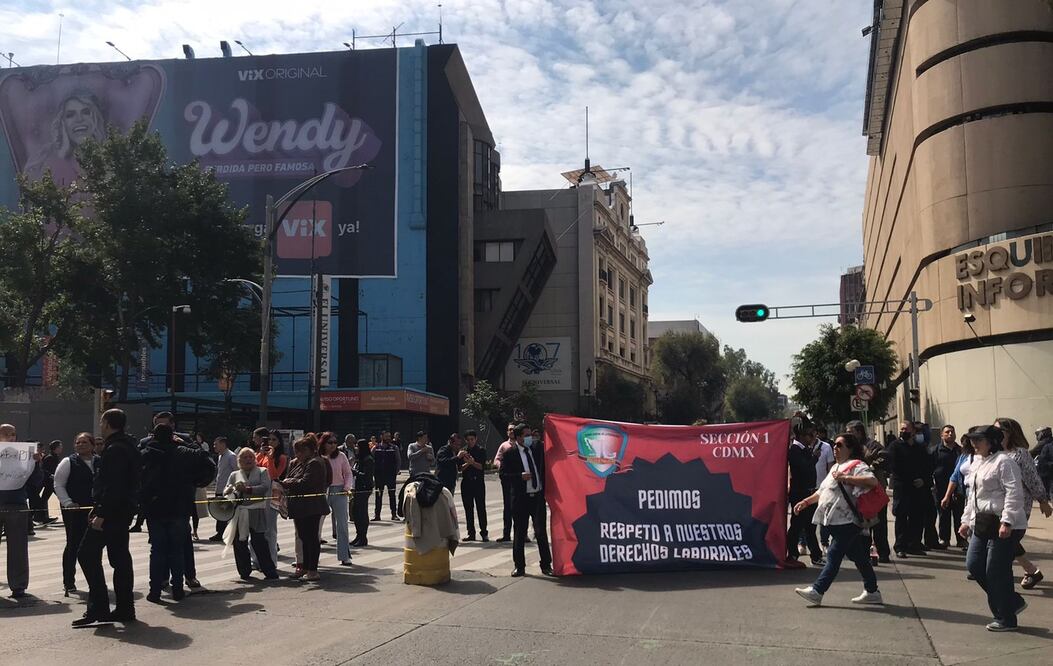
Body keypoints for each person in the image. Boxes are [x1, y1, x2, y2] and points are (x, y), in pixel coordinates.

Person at [793, 432, 882, 607]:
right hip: (833, 521)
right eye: (834, 445)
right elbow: (822, 491)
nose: (835, 448)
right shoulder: (835, 467)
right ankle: (872, 591)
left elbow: (872, 481)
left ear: (850, 448)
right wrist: (805, 502)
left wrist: (846, 478)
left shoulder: (856, 465)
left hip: (847, 521)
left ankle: (817, 591)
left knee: (833, 556)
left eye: (840, 445)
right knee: (859, 558)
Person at [74, 409, 140, 627]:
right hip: (122, 511)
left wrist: (101, 514)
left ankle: (99, 606)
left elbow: (113, 486)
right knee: (120, 559)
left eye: (102, 421)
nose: (100, 424)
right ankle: (124, 608)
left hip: (112, 513)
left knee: (86, 553)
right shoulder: (129, 445)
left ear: (109, 424)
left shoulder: (115, 449)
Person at [959, 425, 1028, 632]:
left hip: (1004, 524)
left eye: (979, 440)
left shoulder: (1004, 462)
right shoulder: (977, 463)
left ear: (992, 442)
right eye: (972, 440)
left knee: (996, 571)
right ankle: (1011, 601)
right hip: (982, 522)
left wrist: (1007, 521)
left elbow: (1014, 493)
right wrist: (965, 521)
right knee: (974, 565)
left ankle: (1005, 617)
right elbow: (973, 496)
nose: (974, 444)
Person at [139, 423, 209, 603]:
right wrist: (187, 443)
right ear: (173, 436)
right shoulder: (183, 452)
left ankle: (154, 590)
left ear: (153, 436)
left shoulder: (146, 453)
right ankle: (177, 589)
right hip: (179, 507)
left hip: (155, 508)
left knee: (157, 550)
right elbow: (204, 455)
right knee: (176, 550)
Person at [993, 417, 1052, 590]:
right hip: (996, 508)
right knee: (1008, 542)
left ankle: (1004, 587)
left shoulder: (1020, 454)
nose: (994, 434)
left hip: (1017, 507)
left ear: (1009, 433)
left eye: (999, 431)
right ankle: (1031, 571)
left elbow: (1032, 478)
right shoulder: (993, 453)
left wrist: (1042, 500)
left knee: (1004, 545)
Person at [500, 425, 552, 577]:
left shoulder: (536, 448)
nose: (530, 437)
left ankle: (546, 564)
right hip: (520, 498)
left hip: (537, 497)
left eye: (530, 434)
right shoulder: (510, 454)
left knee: (541, 532)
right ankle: (519, 566)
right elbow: (503, 475)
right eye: (526, 435)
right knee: (520, 533)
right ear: (518, 437)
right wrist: (519, 476)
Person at [280, 435, 331, 581]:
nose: (297, 455)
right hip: (301, 507)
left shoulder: (315, 462)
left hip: (311, 506)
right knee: (304, 537)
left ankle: (312, 570)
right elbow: (291, 478)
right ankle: (306, 567)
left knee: (311, 538)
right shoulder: (300, 463)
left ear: (308, 450)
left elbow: (305, 483)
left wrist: (289, 482)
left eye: (300, 452)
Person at [0, 423, 43, 599]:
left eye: (14, 434)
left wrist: (37, 464)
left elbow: (37, 482)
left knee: (18, 547)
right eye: (6, 434)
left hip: (17, 505)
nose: (11, 438)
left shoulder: (24, 456)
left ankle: (18, 586)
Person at [223, 448, 279, 580]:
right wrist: (230, 489)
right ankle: (244, 571)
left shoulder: (262, 471)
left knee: (259, 541)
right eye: (245, 457)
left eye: (250, 457)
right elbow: (226, 490)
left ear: (255, 459)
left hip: (256, 511)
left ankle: (269, 571)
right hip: (239, 512)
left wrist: (247, 489)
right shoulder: (234, 474)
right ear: (239, 460)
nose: (248, 460)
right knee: (239, 542)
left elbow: (265, 487)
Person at [53, 432, 98, 596]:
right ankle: (69, 582)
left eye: (85, 442)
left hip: (95, 511)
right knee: (73, 544)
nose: (81, 445)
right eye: (78, 442)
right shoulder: (68, 462)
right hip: (74, 511)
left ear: (92, 445)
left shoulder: (99, 461)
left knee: (93, 546)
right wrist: (68, 503)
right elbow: (58, 485)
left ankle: (94, 581)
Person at [887, 420, 933, 557]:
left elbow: (927, 466)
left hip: (918, 488)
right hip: (902, 488)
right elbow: (894, 467)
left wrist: (923, 480)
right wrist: (910, 480)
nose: (903, 431)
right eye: (901, 429)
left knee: (917, 517)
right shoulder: (895, 446)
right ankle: (900, 546)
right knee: (901, 517)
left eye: (906, 429)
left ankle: (914, 544)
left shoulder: (920, 447)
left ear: (913, 431)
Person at [852, 420, 891, 563]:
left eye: (851, 432)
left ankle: (883, 552)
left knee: (879, 524)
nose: (849, 435)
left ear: (859, 432)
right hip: (859, 492)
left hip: (875, 492)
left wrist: (870, 465)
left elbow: (885, 457)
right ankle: (864, 553)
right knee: (863, 526)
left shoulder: (872, 445)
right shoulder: (851, 448)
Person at [786, 420, 820, 568]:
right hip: (799, 494)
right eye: (809, 435)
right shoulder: (794, 450)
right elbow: (804, 468)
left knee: (810, 526)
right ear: (800, 436)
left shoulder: (804, 448)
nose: (812, 438)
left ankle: (816, 555)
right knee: (797, 525)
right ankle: (792, 554)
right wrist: (815, 457)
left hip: (809, 492)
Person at [320, 432, 353, 565]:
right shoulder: (318, 456)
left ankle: (344, 555)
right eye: (330, 442)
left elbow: (348, 473)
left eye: (335, 442)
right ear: (323, 443)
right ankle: (310, 558)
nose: (333, 445)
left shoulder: (341, 456)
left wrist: (347, 487)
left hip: (339, 490)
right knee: (316, 525)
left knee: (342, 524)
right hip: (321, 491)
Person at [257, 429, 288, 566]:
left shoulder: (281, 457)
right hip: (260, 490)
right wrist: (260, 454)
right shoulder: (263, 454)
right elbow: (255, 468)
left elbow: (274, 474)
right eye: (269, 439)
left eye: (274, 440)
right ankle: (258, 560)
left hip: (273, 490)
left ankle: (272, 560)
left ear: (279, 442)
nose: (270, 442)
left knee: (270, 528)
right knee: (259, 528)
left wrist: (269, 457)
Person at [942, 436, 976, 550]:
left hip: (978, 493)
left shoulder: (984, 457)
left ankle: (971, 542)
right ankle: (968, 541)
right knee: (965, 516)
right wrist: (947, 496)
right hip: (965, 492)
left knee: (974, 518)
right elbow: (955, 476)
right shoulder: (964, 456)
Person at [931, 425, 962, 549]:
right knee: (944, 515)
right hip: (941, 488)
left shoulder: (960, 451)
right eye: (947, 432)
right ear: (942, 435)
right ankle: (944, 539)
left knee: (959, 514)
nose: (950, 434)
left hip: (958, 488)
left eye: (952, 432)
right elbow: (930, 468)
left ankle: (962, 539)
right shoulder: (935, 450)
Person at [459, 430, 488, 542]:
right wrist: (468, 463)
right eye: (468, 440)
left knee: (481, 508)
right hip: (466, 483)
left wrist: (473, 463)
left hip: (478, 483)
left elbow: (482, 467)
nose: (470, 441)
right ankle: (471, 533)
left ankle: (484, 532)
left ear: (476, 439)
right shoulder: (463, 451)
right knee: (468, 509)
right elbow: (460, 468)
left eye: (472, 439)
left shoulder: (481, 450)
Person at [209, 437, 238, 542]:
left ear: (223, 444)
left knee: (225, 512)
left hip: (227, 489)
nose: (214, 446)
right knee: (219, 511)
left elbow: (236, 472)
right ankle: (220, 532)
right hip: (219, 488)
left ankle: (223, 533)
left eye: (216, 444)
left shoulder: (231, 456)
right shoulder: (221, 456)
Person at [494, 423, 517, 543]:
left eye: (513, 429)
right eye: (509, 430)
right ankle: (506, 534)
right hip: (507, 479)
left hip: (520, 480)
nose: (511, 431)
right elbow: (496, 459)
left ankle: (522, 534)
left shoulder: (521, 444)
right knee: (507, 507)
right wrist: (501, 467)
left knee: (520, 507)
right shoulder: (504, 446)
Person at [350, 439, 375, 547]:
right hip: (358, 487)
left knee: (361, 513)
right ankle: (358, 535)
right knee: (355, 511)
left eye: (358, 446)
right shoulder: (360, 458)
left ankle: (363, 537)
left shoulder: (368, 459)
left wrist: (354, 472)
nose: (356, 448)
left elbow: (366, 475)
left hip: (364, 488)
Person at [372, 430, 401, 521]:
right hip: (379, 475)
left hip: (390, 475)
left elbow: (398, 460)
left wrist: (396, 471)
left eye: (389, 436)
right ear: (381, 437)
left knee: (392, 495)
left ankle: (394, 514)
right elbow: (371, 460)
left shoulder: (394, 447)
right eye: (386, 436)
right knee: (378, 495)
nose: (388, 438)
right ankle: (377, 515)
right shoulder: (376, 448)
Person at [39, 440, 63, 523]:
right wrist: (50, 475)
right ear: (55, 448)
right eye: (60, 447)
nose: (61, 448)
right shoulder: (49, 457)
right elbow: (43, 469)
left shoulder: (55, 456)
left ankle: (41, 516)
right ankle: (42, 517)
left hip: (52, 481)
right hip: (50, 482)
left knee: (44, 499)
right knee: (62, 497)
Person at [1034, 426, 1053, 498]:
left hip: (1047, 470)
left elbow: (1032, 453)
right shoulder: (1049, 441)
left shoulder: (1045, 442)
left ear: (1042, 434)